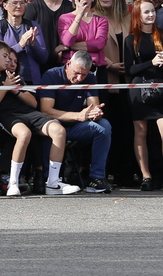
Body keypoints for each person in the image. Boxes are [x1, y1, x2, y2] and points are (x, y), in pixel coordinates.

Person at [0, 41, 73, 197]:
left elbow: (33, 103)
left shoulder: (13, 77)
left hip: (29, 113)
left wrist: (15, 90)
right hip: (6, 116)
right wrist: (4, 88)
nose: (8, 60)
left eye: (10, 57)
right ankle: (13, 183)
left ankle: (53, 182)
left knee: (59, 130)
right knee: (24, 134)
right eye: (5, 56)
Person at [122, 0, 163, 192]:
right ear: (138, 15)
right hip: (139, 89)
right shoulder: (131, 39)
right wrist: (151, 62)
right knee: (141, 132)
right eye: (146, 12)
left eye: (153, 11)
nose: (151, 15)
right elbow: (129, 69)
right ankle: (146, 176)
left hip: (161, 87)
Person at [36, 50, 111, 194]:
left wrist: (95, 113)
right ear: (68, 63)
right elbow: (46, 110)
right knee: (55, 126)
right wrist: (78, 116)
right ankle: (51, 179)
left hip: (76, 127)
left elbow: (94, 105)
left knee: (104, 126)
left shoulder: (90, 78)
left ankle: (96, 178)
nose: (80, 78)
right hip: (55, 125)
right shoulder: (51, 75)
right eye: (76, 73)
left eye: (84, 74)